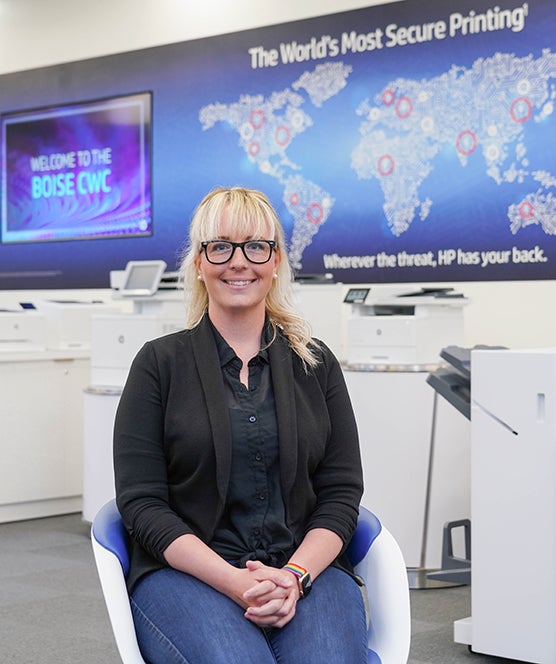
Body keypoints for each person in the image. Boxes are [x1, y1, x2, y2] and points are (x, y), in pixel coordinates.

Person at [113, 186, 367, 663]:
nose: (238, 262)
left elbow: (341, 492)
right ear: (199, 263)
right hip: (190, 573)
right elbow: (142, 503)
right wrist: (232, 580)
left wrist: (293, 575)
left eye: (256, 246)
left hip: (303, 568)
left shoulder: (315, 365)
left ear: (275, 263)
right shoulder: (158, 365)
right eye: (220, 246)